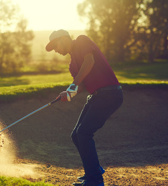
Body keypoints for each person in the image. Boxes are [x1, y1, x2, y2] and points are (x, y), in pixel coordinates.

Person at [45, 29, 123, 186]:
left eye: (56, 46)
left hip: (110, 93)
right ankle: (92, 170)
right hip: (98, 96)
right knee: (76, 135)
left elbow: (90, 62)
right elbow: (81, 85)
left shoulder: (81, 41)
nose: (56, 50)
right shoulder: (72, 64)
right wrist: (68, 94)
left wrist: (72, 86)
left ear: (64, 38)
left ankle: (95, 180)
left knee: (84, 133)